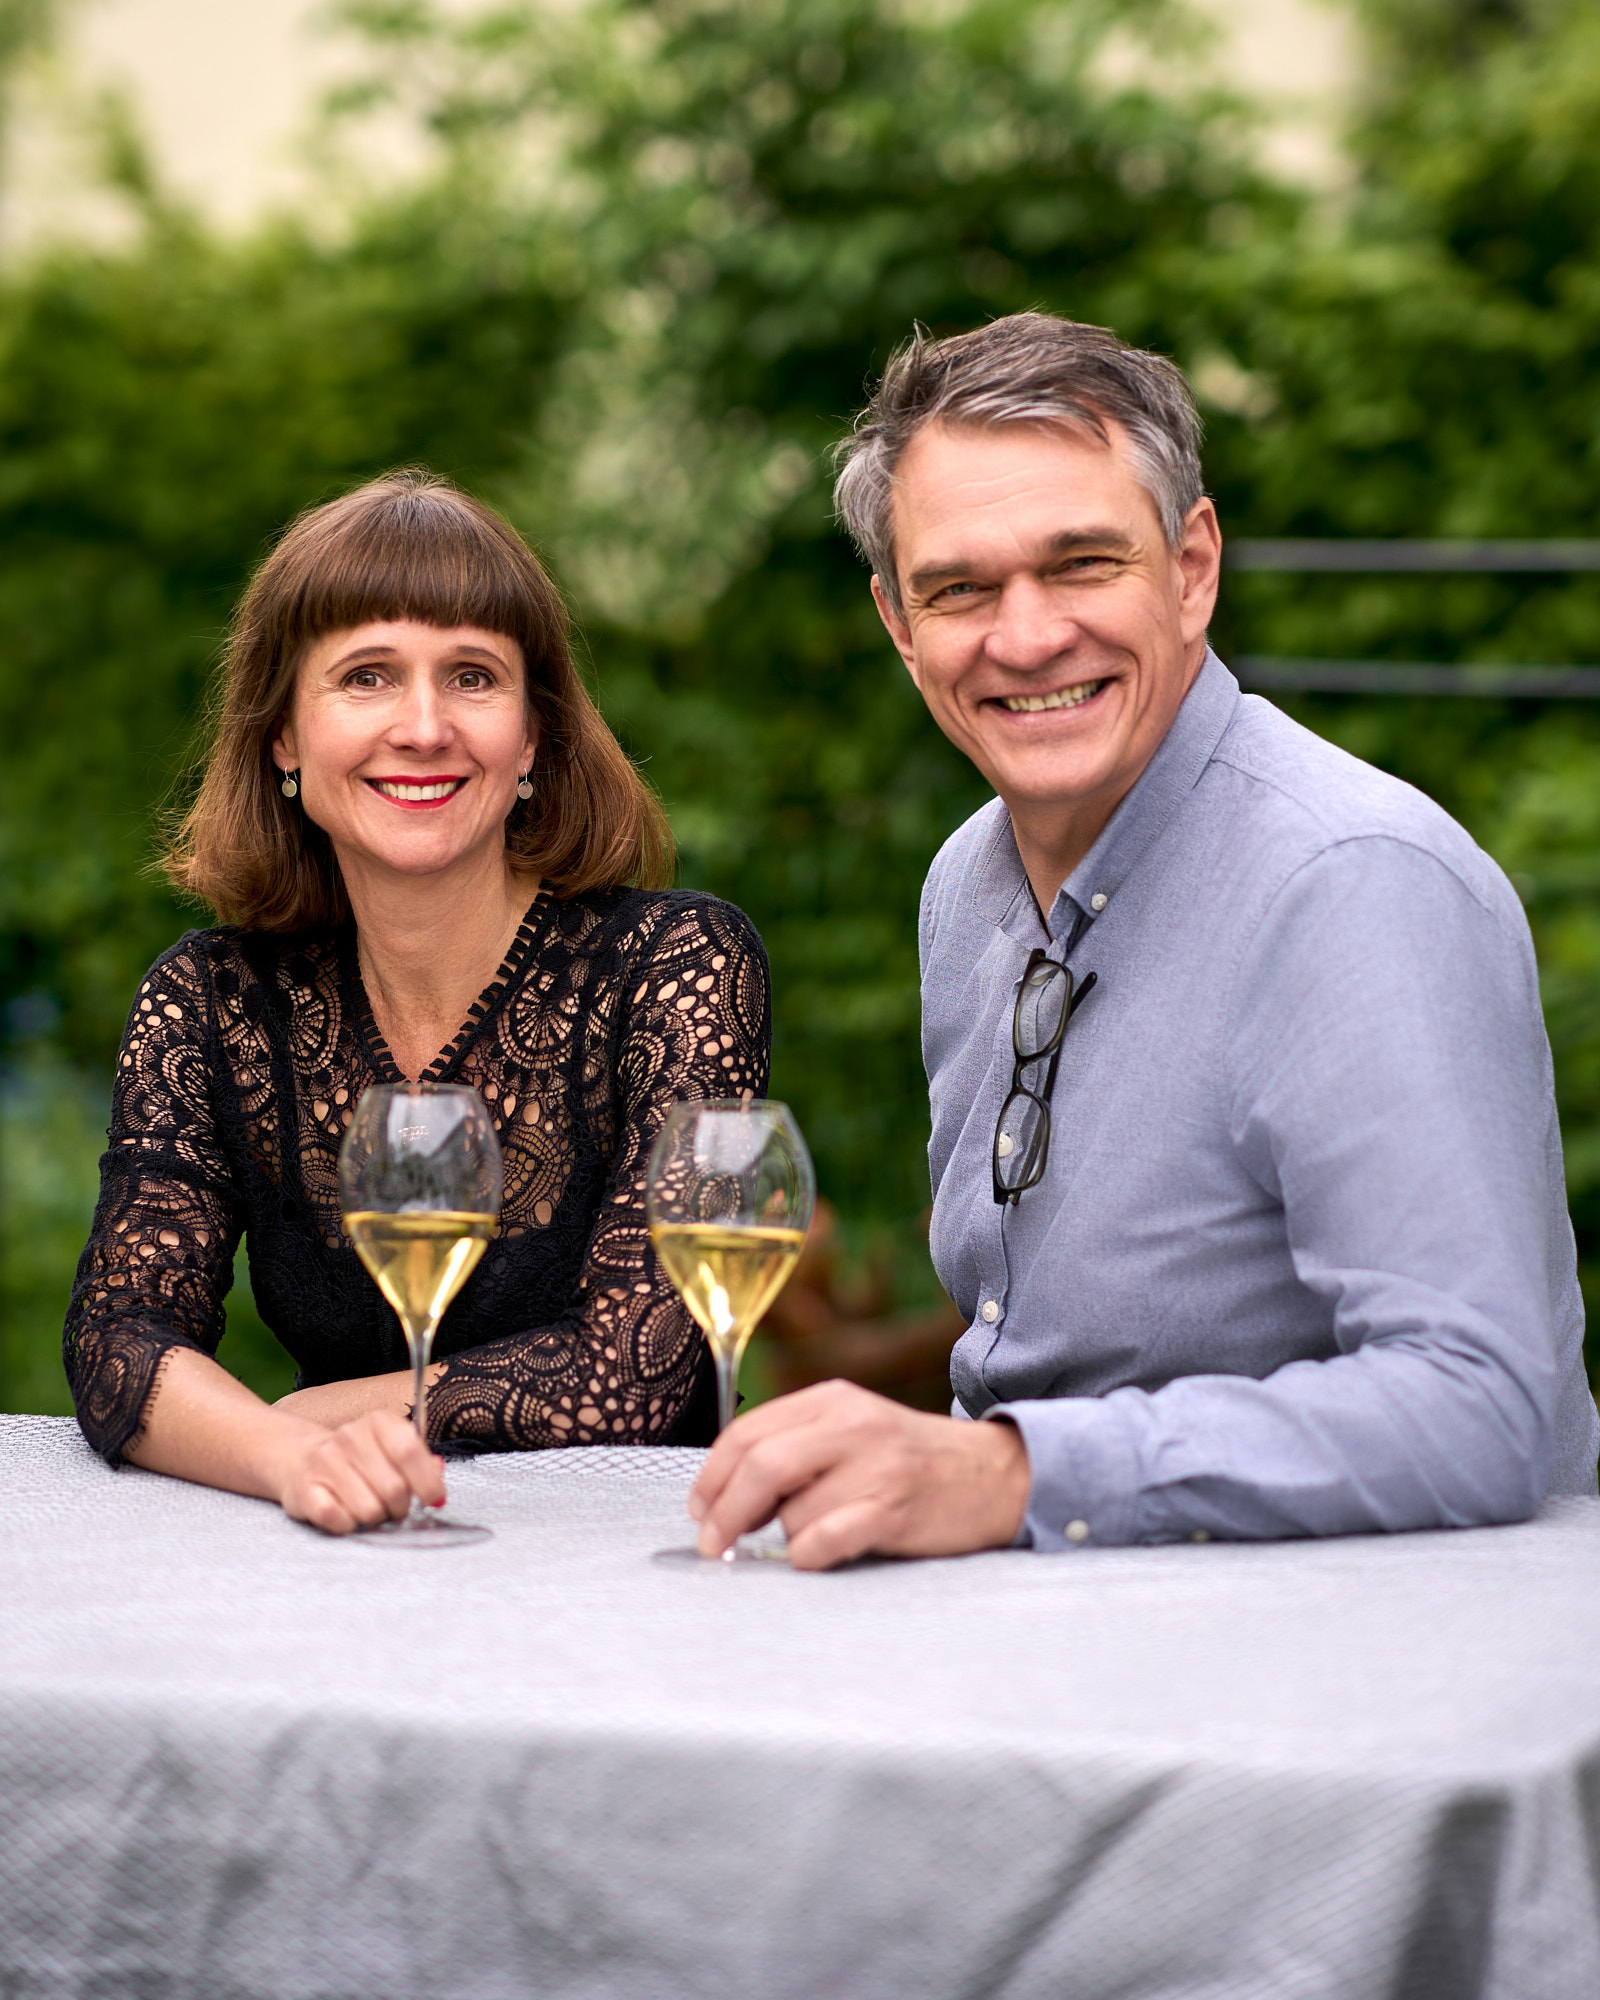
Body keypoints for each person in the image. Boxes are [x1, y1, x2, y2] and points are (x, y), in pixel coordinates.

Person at [689, 311, 1598, 1569]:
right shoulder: (964, 883)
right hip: (1054, 1632)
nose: (1024, 636)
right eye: (959, 587)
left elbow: (1477, 1410)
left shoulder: (1348, 881)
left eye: (1079, 563)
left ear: (1190, 568)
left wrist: (1011, 1473)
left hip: (1352, 1657)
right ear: (899, 622)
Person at [65, 469, 769, 1533]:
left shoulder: (674, 964)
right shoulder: (212, 999)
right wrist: (290, 1458)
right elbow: (118, 1340)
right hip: (355, 1552)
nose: (425, 726)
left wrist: (316, 1413)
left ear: (531, 736)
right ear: (283, 736)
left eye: (473, 677)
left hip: (637, 1560)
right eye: (367, 677)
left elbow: (639, 1370)